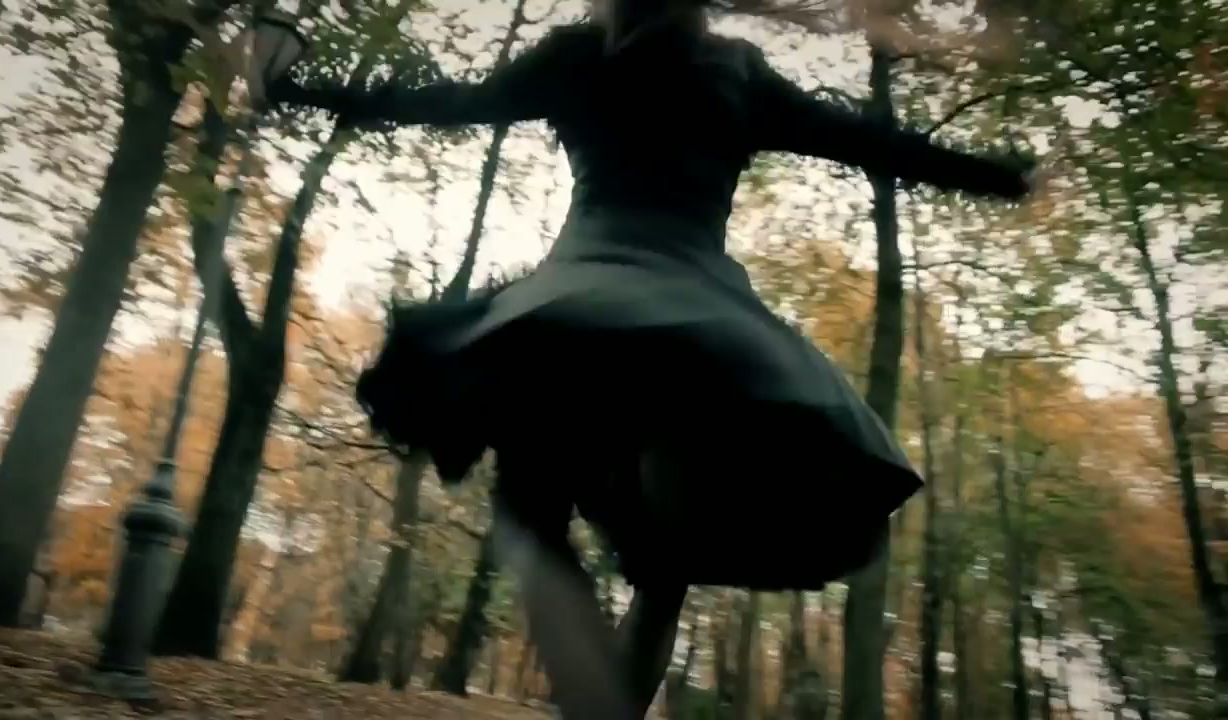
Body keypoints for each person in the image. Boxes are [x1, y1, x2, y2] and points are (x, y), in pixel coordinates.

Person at [270, 0, 1034, 717]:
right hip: (694, 331)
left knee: (534, 511)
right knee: (662, 570)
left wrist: (299, 87)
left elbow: (445, 103)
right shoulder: (733, 71)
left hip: (567, 319)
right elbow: (866, 140)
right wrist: (996, 176)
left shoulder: (577, 57)